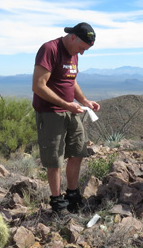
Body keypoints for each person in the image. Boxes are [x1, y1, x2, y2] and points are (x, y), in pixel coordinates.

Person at [32, 22, 100, 214]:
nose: (82, 53)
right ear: (72, 37)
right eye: (81, 48)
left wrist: (84, 101)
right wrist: (65, 104)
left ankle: (72, 195)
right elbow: (38, 86)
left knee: (78, 152)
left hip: (71, 110)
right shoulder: (49, 49)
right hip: (51, 113)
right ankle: (57, 202)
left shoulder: (73, 53)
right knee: (55, 160)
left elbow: (71, 80)